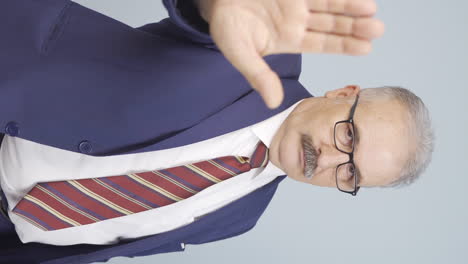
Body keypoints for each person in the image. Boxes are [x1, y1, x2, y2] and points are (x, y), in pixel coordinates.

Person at [0, 0, 433, 263]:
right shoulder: (268, 53)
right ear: (343, 92)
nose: (332, 159)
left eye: (351, 173)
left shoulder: (243, 218)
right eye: (350, 137)